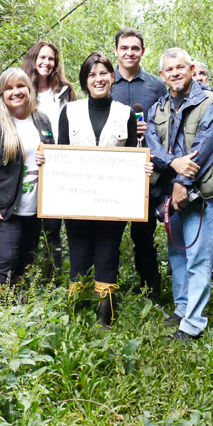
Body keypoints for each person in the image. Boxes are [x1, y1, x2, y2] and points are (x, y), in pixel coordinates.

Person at [58, 52, 153, 328]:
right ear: (85, 80)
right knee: (78, 256)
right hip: (75, 200)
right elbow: (60, 153)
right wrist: (46, 160)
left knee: (108, 254)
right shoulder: (70, 111)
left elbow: (134, 156)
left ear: (112, 76)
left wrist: (143, 169)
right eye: (91, 74)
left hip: (114, 203)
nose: (98, 79)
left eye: (103, 73)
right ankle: (75, 318)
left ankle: (105, 320)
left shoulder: (126, 114)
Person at [146, 48, 213, 343]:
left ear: (192, 69)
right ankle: (182, 307)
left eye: (181, 67)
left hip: (200, 193)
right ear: (162, 75)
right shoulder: (158, 107)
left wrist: (182, 180)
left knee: (198, 257)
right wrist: (172, 163)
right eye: (170, 70)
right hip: (168, 195)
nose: (176, 73)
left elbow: (206, 147)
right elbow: (152, 145)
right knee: (176, 253)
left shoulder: (211, 103)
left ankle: (193, 324)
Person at [0, 68, 55, 308]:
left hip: (32, 207)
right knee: (2, 261)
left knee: (23, 262)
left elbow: (52, 153)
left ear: (30, 89)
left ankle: (13, 318)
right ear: (1, 93)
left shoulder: (41, 119)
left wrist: (47, 158)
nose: (16, 92)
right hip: (1, 207)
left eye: (21, 86)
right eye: (9, 88)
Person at [111, 28, 168, 305]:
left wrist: (152, 127)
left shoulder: (157, 85)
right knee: (109, 234)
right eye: (125, 48)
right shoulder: (106, 83)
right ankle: (105, 290)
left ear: (143, 51)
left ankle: (151, 292)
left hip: (147, 174)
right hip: (112, 173)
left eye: (135, 48)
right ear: (116, 51)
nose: (130, 53)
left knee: (143, 235)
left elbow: (168, 121)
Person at [20, 42, 77, 270]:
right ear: (33, 59)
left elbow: (74, 123)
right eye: (42, 57)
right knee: (29, 219)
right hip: (30, 161)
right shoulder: (22, 87)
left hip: (59, 163)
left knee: (53, 223)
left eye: (51, 58)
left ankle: (55, 271)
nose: (46, 63)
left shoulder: (65, 90)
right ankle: (27, 269)